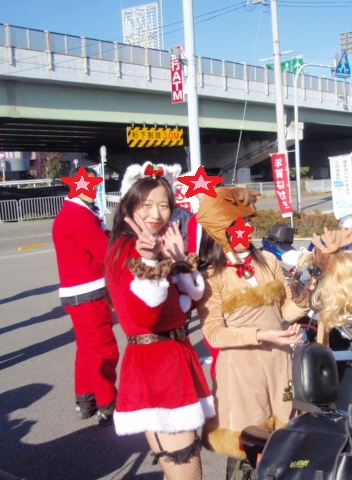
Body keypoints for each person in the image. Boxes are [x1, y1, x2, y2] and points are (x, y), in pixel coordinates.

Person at [105, 164, 214, 480]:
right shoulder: (132, 248)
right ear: (129, 205)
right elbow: (147, 315)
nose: (156, 213)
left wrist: (178, 261)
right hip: (158, 367)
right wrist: (151, 262)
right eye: (146, 204)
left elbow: (188, 302)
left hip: (168, 360)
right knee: (186, 473)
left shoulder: (147, 244)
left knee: (177, 470)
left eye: (164, 205)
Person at [195, 187, 308, 459]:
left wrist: (308, 296)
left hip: (279, 363)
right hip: (241, 371)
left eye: (247, 221)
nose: (246, 228)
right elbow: (214, 333)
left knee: (287, 449)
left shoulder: (268, 261)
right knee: (252, 450)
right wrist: (262, 334)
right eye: (237, 224)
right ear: (218, 231)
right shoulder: (211, 276)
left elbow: (286, 310)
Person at [52, 166, 119, 426]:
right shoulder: (79, 215)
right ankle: (108, 403)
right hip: (88, 293)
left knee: (87, 350)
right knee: (103, 350)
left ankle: (87, 400)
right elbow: (104, 253)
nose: (94, 190)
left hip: (79, 294)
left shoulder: (76, 212)